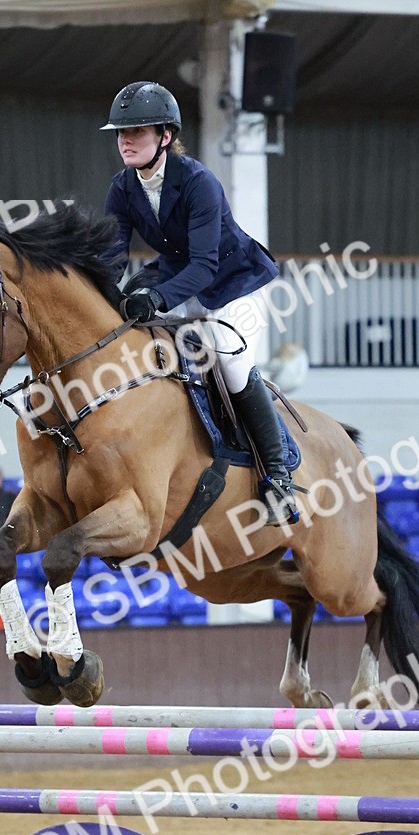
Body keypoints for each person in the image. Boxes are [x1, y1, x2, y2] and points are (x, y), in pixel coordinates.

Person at [102, 80, 299, 524]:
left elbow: (205, 265)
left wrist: (156, 297)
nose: (126, 141)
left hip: (232, 283)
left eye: (137, 132)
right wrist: (110, 297)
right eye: (121, 133)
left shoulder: (198, 182)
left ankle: (279, 476)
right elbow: (112, 256)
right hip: (179, 278)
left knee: (230, 364)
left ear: (165, 137)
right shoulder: (122, 188)